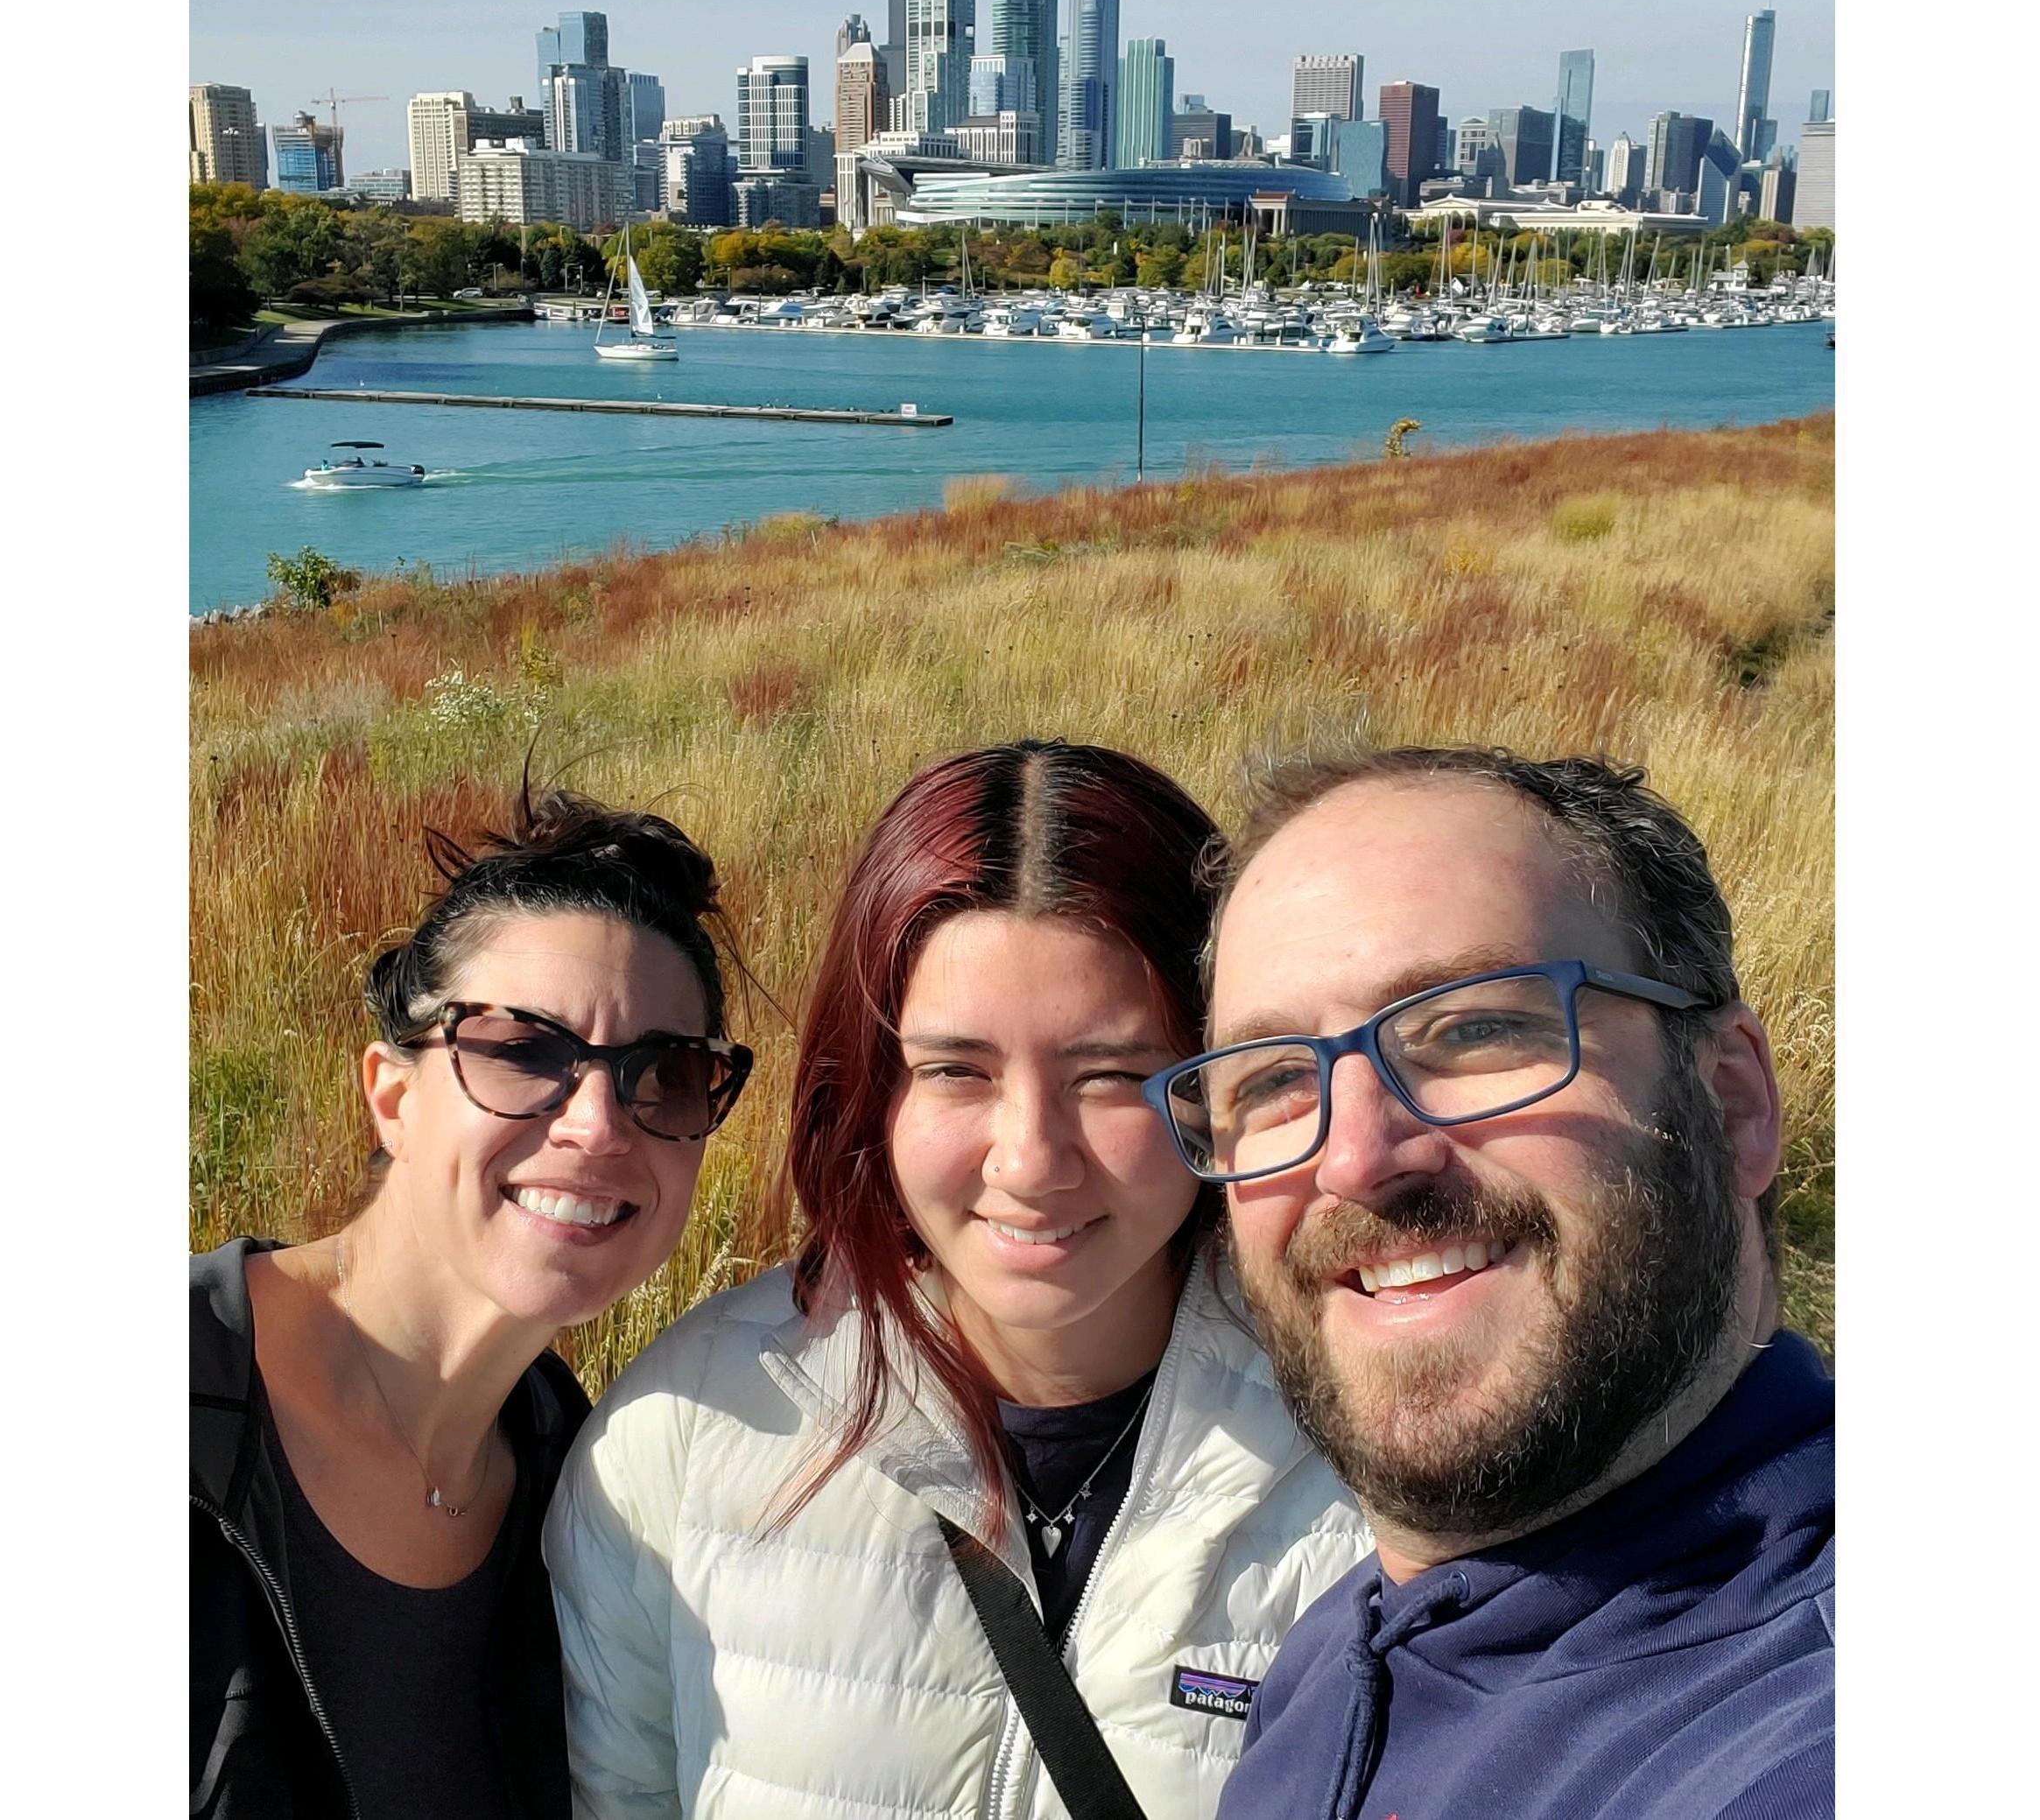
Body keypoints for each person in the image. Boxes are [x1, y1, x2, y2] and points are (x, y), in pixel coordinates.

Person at [545, 740, 1371, 1819]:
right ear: (869, 1089)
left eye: (1113, 1074)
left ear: (1220, 1081)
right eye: (953, 1070)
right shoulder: (676, 1446)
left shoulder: (1372, 1464)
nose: (1029, 1159)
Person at [1136, 747, 1832, 1820]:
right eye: (1272, 1078)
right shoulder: (1339, 1647)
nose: (1355, 1158)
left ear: (1733, 1102)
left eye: (1473, 1027)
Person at [191, 790, 754, 1820]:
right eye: (520, 1047)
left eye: (665, 1074)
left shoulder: (593, 1494)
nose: (596, 1124)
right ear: (393, 1097)